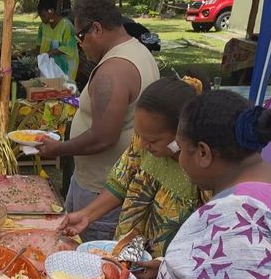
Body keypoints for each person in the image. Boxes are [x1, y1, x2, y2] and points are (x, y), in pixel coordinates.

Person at [104, 90, 271, 279]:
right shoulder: (257, 190)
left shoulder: (238, 215)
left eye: (181, 150)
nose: (179, 160)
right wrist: (167, 271)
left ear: (203, 153)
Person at [38, 0, 160, 242]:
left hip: (101, 191)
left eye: (80, 36)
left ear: (97, 28)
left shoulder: (113, 70)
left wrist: (58, 149)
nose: (80, 44)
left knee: (92, 264)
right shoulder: (137, 50)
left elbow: (103, 137)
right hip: (102, 184)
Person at [59, 76, 210, 257]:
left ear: (182, 133)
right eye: (139, 135)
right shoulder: (143, 142)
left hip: (166, 264)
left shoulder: (200, 171)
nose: (144, 145)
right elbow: (120, 183)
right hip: (127, 251)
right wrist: (87, 215)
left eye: (153, 140)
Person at [35, 0, 80, 81]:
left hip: (65, 68)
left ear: (51, 11)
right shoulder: (43, 26)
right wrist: (37, 59)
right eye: (40, 16)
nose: (42, 19)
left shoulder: (66, 26)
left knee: (62, 91)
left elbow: (69, 48)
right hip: (48, 67)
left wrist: (49, 53)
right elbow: (38, 44)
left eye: (43, 16)